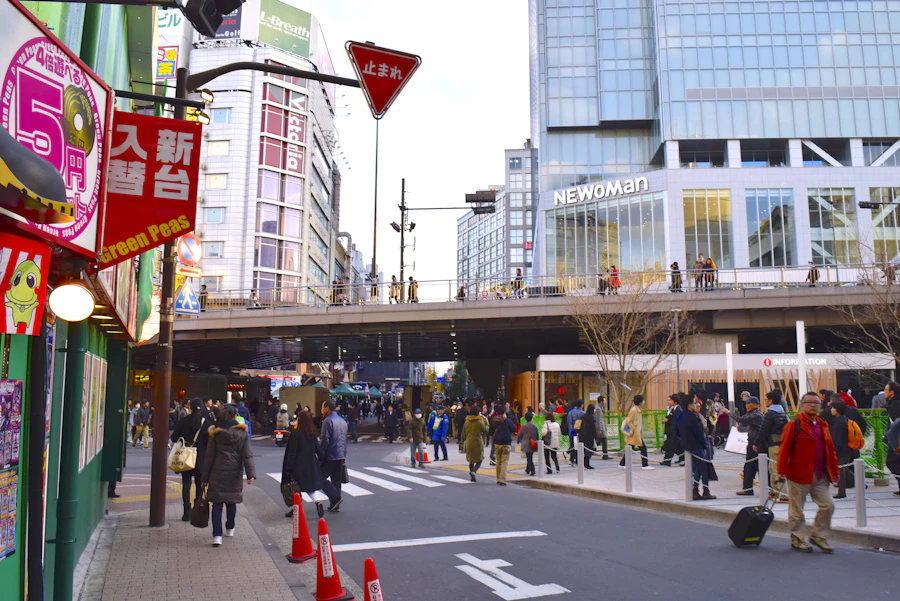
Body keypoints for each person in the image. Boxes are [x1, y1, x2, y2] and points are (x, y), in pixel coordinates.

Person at [777, 392, 840, 553]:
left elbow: (830, 449)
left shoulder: (823, 424)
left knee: (828, 505)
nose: (813, 405)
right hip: (799, 473)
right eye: (809, 402)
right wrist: (781, 471)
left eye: (816, 403)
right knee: (797, 509)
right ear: (802, 405)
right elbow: (784, 450)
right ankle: (797, 539)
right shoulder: (794, 424)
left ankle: (818, 535)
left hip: (820, 474)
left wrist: (835, 469)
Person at [201, 406, 256, 547]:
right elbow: (247, 455)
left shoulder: (216, 434)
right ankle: (230, 528)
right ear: (234, 417)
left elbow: (209, 457)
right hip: (234, 472)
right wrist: (251, 474)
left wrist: (204, 479)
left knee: (217, 503)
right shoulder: (242, 434)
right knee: (231, 501)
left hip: (216, 473)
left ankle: (217, 535)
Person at [170, 398, 210, 521]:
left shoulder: (183, 421)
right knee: (199, 484)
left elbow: (174, 437)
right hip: (201, 459)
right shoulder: (206, 424)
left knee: (186, 484)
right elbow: (210, 442)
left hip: (186, 457)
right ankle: (196, 510)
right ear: (202, 409)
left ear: (190, 408)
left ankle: (186, 512)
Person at [283, 410, 327, 519]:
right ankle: (317, 502)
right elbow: (318, 449)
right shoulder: (312, 433)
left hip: (298, 465)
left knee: (295, 488)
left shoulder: (296, 434)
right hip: (311, 464)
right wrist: (323, 459)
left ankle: (296, 509)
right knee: (309, 488)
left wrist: (288, 467)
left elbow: (292, 452)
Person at [722, 396, 763, 495]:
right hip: (753, 443)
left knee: (753, 466)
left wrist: (728, 412)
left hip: (757, 444)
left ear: (755, 405)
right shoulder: (752, 414)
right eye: (746, 403)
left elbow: (740, 420)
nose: (746, 405)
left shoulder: (756, 415)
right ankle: (748, 488)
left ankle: (751, 489)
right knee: (751, 466)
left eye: (748, 403)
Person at [753, 389, 789, 501]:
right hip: (781, 443)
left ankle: (783, 495)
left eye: (766, 400)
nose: (765, 402)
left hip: (774, 444)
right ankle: (774, 492)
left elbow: (763, 430)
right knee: (772, 468)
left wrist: (756, 443)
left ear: (770, 401)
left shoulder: (770, 413)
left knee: (776, 469)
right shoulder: (782, 412)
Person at [677, 397, 716, 500]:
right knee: (703, 468)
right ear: (689, 405)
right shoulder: (692, 417)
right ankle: (706, 491)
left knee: (697, 468)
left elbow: (676, 431)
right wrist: (704, 445)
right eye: (694, 403)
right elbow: (698, 433)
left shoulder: (680, 416)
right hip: (696, 445)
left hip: (686, 444)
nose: (695, 405)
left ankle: (695, 490)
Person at [318, 400, 347, 513]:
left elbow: (325, 440)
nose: (321, 410)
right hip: (340, 455)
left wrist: (321, 455)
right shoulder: (342, 421)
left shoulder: (327, 420)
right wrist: (344, 455)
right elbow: (344, 440)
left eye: (322, 408)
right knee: (336, 480)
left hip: (330, 455)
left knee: (320, 478)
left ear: (327, 408)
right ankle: (335, 504)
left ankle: (336, 498)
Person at [829, 399, 862, 500]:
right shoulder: (844, 419)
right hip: (847, 449)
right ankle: (861, 483)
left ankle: (842, 492)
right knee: (844, 469)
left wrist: (835, 450)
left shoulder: (839, 421)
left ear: (837, 410)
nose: (831, 410)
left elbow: (838, 439)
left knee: (841, 470)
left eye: (833, 408)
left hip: (841, 450)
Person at [619, 396, 652, 469]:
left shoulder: (638, 410)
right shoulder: (634, 410)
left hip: (636, 433)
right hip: (635, 434)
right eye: (643, 400)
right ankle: (645, 465)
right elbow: (629, 421)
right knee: (643, 448)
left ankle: (622, 464)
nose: (644, 402)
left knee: (630, 448)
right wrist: (634, 429)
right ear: (640, 402)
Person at [463, 406, 489, 482]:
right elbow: (485, 430)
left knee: (471, 459)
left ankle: (472, 473)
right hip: (478, 442)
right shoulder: (479, 422)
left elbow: (463, 433)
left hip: (468, 442)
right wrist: (487, 422)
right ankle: (474, 471)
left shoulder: (467, 421)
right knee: (479, 458)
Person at [492, 409, 516, 485]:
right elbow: (514, 429)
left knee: (498, 461)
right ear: (504, 413)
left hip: (497, 443)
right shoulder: (507, 421)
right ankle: (502, 479)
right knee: (504, 462)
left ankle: (498, 478)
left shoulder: (494, 421)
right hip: (506, 443)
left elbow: (491, 430)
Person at [660, 394, 683, 466]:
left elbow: (676, 421)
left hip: (675, 432)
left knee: (670, 446)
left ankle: (667, 461)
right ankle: (682, 459)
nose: (668, 402)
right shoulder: (671, 409)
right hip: (671, 431)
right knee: (676, 447)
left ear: (675, 401)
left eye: (670, 400)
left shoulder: (678, 410)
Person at [517, 411, 539, 476]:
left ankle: (532, 469)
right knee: (530, 456)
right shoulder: (535, 426)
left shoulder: (524, 426)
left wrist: (518, 440)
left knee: (529, 457)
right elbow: (537, 435)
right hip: (533, 443)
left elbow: (520, 434)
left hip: (526, 443)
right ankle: (527, 469)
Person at [579, 405, 599, 469]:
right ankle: (587, 464)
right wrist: (596, 437)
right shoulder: (591, 417)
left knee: (584, 450)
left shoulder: (583, 416)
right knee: (589, 450)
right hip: (589, 436)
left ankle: (583, 463)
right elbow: (593, 428)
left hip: (582, 435)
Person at [567, 400, 585, 466]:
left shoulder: (570, 412)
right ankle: (578, 460)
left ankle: (572, 460)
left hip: (572, 431)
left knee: (572, 446)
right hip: (579, 432)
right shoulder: (582, 413)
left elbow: (568, 422)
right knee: (579, 446)